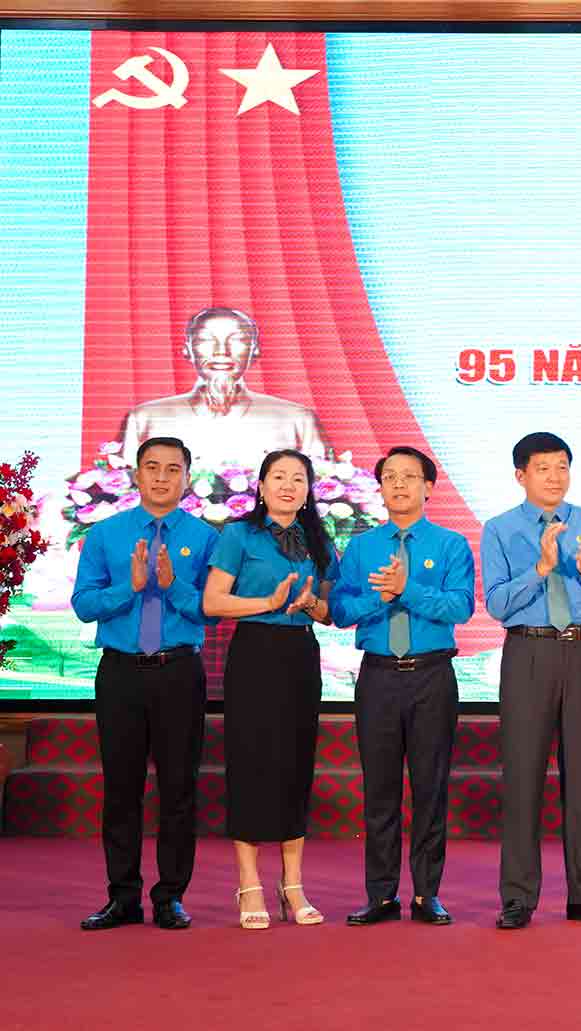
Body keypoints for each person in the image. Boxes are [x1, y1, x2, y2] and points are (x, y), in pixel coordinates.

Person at [70, 436, 219, 931]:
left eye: (172, 469)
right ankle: (122, 896)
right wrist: (128, 588)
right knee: (121, 789)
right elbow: (84, 604)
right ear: (135, 475)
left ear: (187, 478)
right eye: (151, 467)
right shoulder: (106, 535)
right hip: (120, 673)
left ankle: (170, 896)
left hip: (179, 670)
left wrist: (172, 583)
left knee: (179, 788)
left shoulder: (205, 539)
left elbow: (209, 610)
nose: (161, 477)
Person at [482, 432, 581, 930]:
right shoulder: (500, 529)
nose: (555, 476)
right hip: (528, 650)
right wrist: (541, 569)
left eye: (562, 466)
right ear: (521, 476)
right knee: (523, 777)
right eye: (543, 468)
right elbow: (498, 605)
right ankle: (518, 899)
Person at [330, 447, 474, 928]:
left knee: (430, 788)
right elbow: (342, 612)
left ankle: (427, 895)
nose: (399, 485)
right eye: (390, 477)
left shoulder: (451, 545)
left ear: (428, 487)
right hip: (378, 677)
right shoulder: (362, 547)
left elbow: (460, 609)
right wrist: (380, 595)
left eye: (409, 477)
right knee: (380, 790)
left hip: (432, 676)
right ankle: (381, 895)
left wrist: (406, 590)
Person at [202, 448, 336, 929]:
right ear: (260, 486)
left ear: (307, 490)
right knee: (252, 764)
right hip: (254, 655)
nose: (287, 486)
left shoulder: (319, 540)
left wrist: (310, 606)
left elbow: (330, 610)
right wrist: (268, 601)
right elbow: (214, 601)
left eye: (297, 479)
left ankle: (293, 885)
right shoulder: (239, 534)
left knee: (295, 766)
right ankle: (249, 884)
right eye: (277, 477)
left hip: (301, 655)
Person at [119, 307, 329, 464]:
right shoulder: (145, 418)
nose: (222, 351)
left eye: (237, 340)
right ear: (187, 350)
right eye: (206, 340)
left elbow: (319, 489)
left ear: (255, 350)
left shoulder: (297, 418)